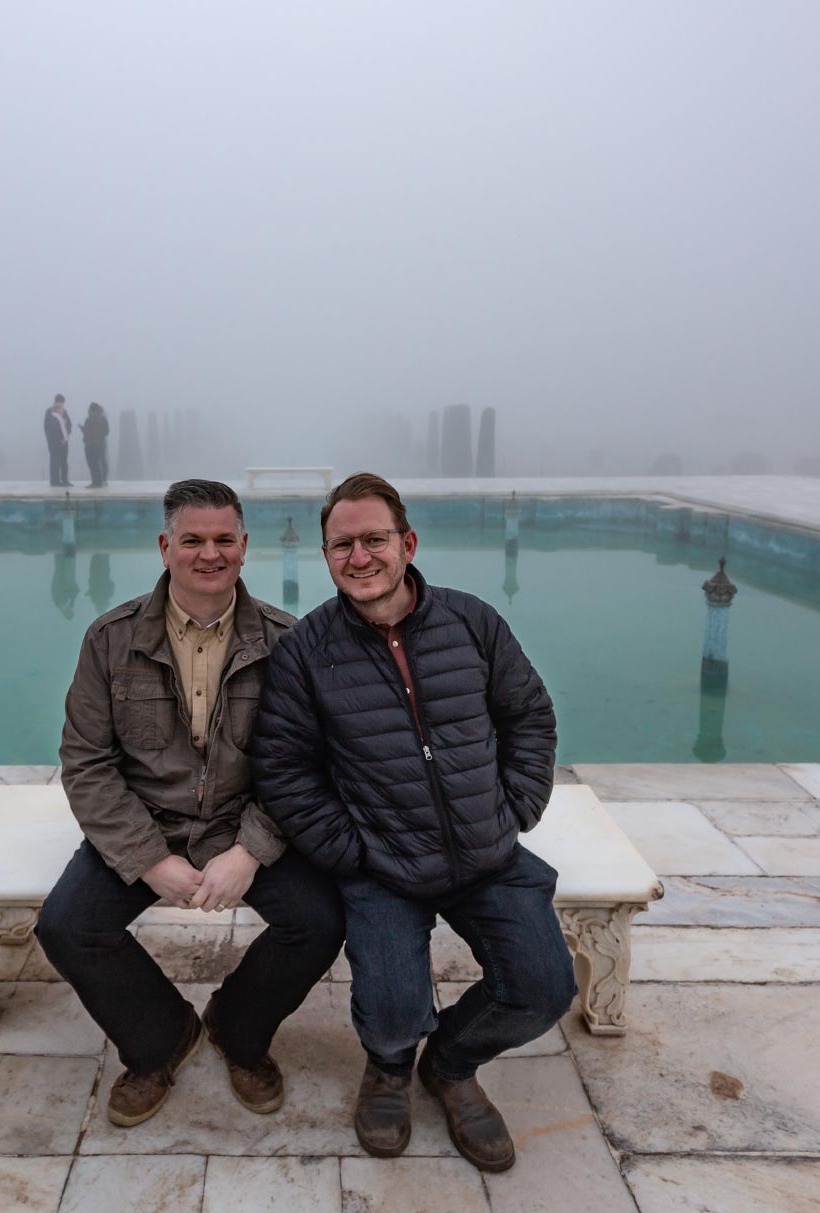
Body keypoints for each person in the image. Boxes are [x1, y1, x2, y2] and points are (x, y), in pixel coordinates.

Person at [253, 471, 572, 1173]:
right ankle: (391, 1067)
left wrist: (514, 806)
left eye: (374, 540)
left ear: (408, 542)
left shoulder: (471, 621)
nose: (359, 558)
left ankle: (451, 1065)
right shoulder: (306, 652)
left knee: (545, 988)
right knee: (394, 1009)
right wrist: (352, 851)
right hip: (384, 864)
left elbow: (529, 717)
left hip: (487, 851)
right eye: (343, 545)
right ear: (326, 554)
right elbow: (283, 770)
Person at [42, 478, 345, 1128]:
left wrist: (252, 849)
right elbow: (87, 763)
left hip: (244, 826)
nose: (210, 554)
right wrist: (148, 858)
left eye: (223, 540)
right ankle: (159, 1039)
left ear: (243, 547)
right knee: (68, 926)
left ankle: (238, 1031)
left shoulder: (289, 642)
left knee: (319, 921)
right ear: (164, 546)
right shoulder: (110, 640)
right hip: (148, 824)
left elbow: (303, 765)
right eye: (193, 540)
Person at [43, 394, 72, 488]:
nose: (61, 404)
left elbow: (69, 425)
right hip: (54, 442)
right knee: (55, 462)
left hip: (64, 442)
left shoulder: (64, 412)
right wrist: (59, 439)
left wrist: (67, 433)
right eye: (60, 402)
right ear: (56, 401)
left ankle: (65, 481)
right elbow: (50, 428)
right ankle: (55, 481)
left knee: (64, 462)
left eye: (62, 403)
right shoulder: (50, 412)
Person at [82, 402, 111, 488]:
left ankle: (95, 483)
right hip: (100, 444)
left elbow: (87, 434)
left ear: (91, 410)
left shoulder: (89, 420)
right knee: (98, 464)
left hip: (90, 445)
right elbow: (107, 431)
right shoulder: (103, 419)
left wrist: (84, 435)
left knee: (93, 465)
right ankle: (99, 482)